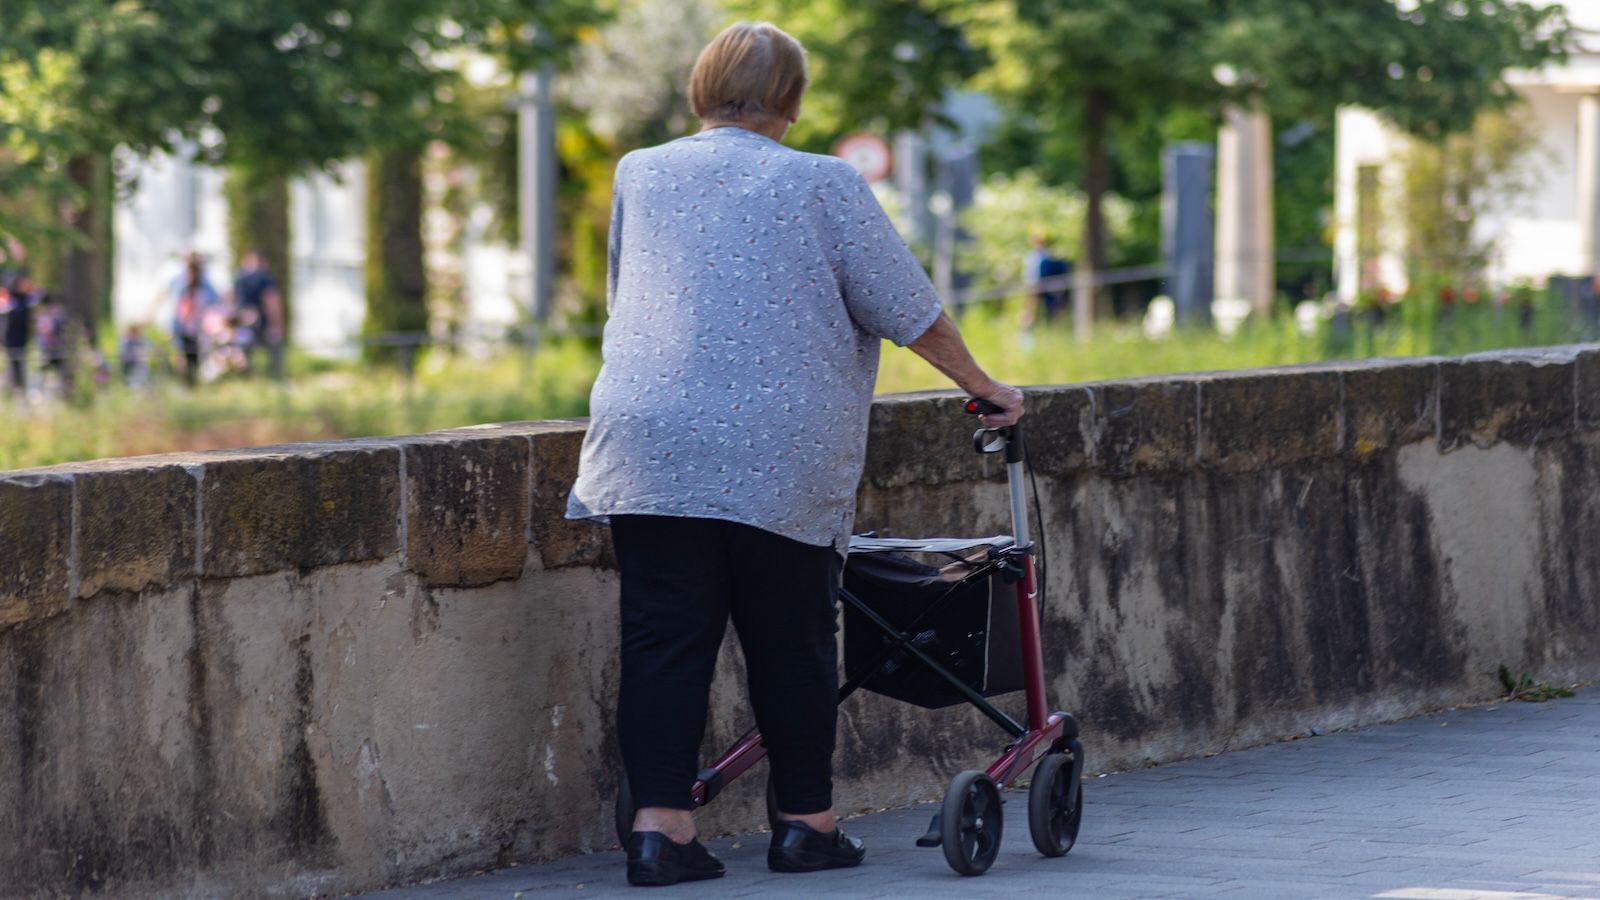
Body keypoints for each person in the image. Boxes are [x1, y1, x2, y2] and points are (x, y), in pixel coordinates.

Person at [565, 21, 1024, 888]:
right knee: (793, 639)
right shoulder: (823, 182)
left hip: (649, 442)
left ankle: (661, 833)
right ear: (792, 100)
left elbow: (634, 289)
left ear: (703, 87)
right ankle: (804, 827)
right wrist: (986, 384)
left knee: (663, 641)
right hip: (779, 447)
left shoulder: (641, 172)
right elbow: (907, 308)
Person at [167, 252, 220, 386]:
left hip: (200, 332)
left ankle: (196, 386)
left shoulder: (205, 288)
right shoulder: (180, 287)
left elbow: (213, 307)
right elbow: (177, 312)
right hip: (183, 330)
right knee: (183, 361)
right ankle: (186, 385)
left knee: (198, 361)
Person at [232, 250, 285, 379]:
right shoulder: (265, 279)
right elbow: (271, 303)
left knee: (244, 349)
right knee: (275, 347)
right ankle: (275, 378)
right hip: (261, 324)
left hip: (242, 324)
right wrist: (277, 326)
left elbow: (233, 300)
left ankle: (246, 378)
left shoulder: (239, 278)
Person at [1019, 231, 1071, 333]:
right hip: (1033, 286)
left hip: (1044, 285)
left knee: (1051, 309)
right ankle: (1026, 331)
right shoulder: (1032, 256)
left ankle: (1053, 330)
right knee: (1030, 310)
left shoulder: (1046, 256)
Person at [1, 273, 33, 396]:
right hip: (11, 338)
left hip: (23, 338)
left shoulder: (26, 299)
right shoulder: (10, 299)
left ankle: (21, 390)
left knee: (21, 365)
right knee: (13, 364)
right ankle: (13, 389)